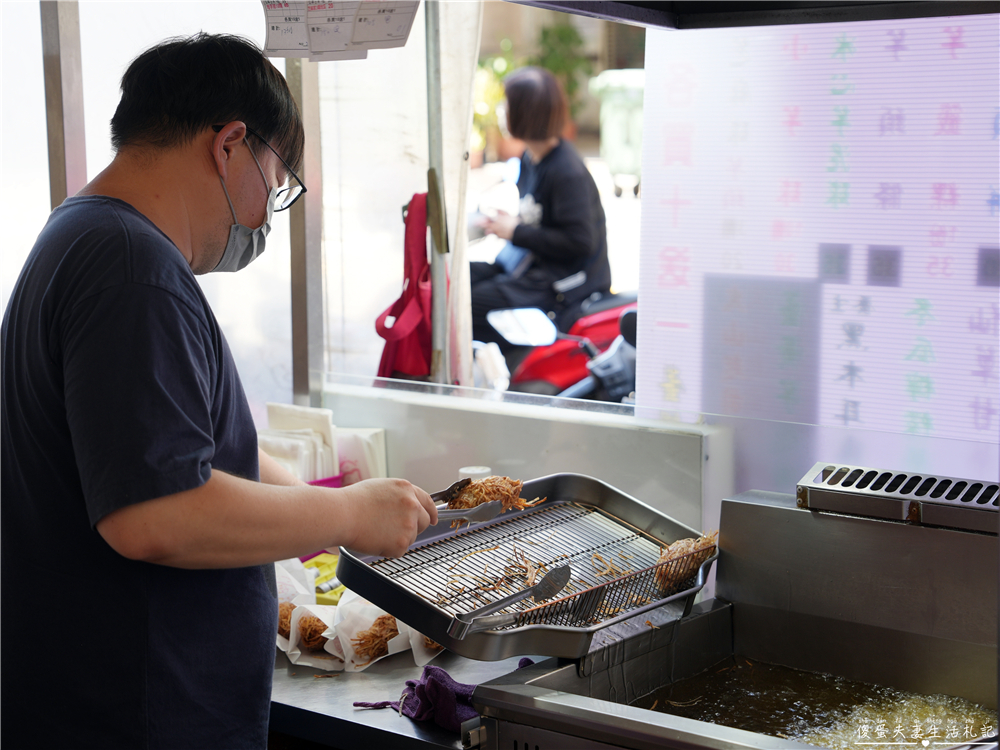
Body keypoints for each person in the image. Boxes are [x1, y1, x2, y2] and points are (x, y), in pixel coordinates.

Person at [0, 34, 437, 750]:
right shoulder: (131, 268)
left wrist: (283, 486)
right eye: (276, 181)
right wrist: (345, 513)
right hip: (135, 715)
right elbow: (153, 515)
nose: (266, 216)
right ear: (230, 143)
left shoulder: (80, 236)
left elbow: (138, 448)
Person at [472, 66, 612, 350]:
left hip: (565, 284)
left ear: (525, 113)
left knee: (468, 303)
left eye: (507, 104)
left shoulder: (566, 171)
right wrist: (510, 225)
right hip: (532, 266)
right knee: (456, 280)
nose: (501, 111)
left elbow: (580, 242)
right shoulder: (530, 157)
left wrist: (517, 232)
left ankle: (516, 366)